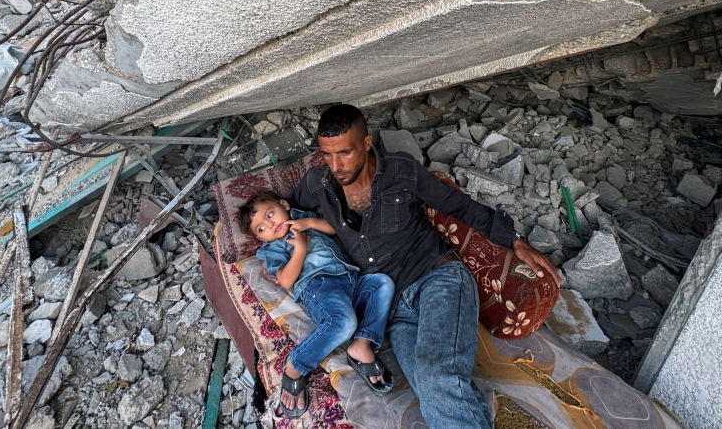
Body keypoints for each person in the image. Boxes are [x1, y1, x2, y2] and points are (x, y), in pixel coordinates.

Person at [291, 104, 557, 429]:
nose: (336, 165)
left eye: (344, 153)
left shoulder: (402, 172)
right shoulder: (318, 184)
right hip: (392, 311)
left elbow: (459, 206)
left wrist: (513, 239)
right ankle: (480, 410)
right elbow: (287, 208)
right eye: (327, 155)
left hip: (438, 278)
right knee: (428, 390)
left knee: (438, 374)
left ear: (366, 143)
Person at [238, 189, 396, 418]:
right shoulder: (271, 250)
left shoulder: (304, 219)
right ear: (261, 239)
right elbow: (285, 279)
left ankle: (361, 344)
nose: (270, 226)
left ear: (284, 205)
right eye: (261, 229)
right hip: (318, 288)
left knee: (382, 283)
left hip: (349, 279)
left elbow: (334, 229)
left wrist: (308, 222)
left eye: (270, 215)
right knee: (343, 323)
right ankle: (295, 365)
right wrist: (300, 248)